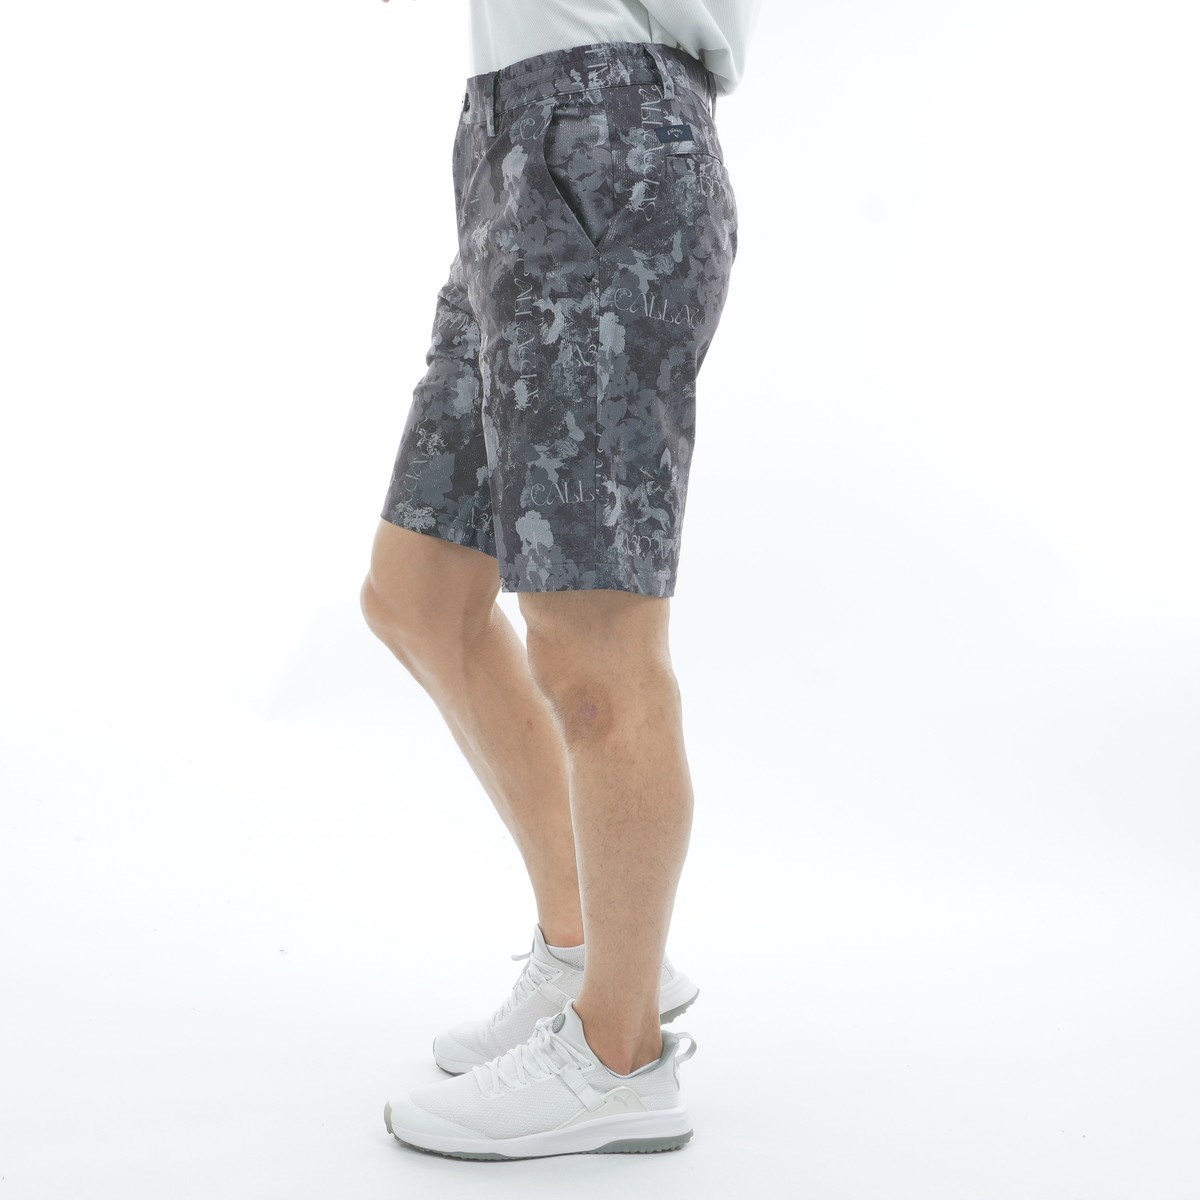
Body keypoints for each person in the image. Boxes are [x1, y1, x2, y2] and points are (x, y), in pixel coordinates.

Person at [362, 0, 763, 1161]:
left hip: (604, 136)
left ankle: (618, 1055)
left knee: (594, 650)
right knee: (420, 591)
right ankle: (588, 947)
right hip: (514, 138)